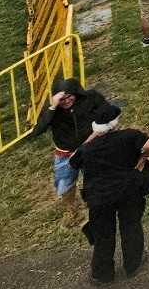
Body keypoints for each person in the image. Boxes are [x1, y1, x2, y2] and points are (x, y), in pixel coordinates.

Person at [69, 104, 149, 284]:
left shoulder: (88, 149)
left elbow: (72, 162)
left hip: (99, 196)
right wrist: (143, 157)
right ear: (115, 123)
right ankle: (133, 263)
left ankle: (102, 274)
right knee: (130, 225)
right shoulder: (129, 136)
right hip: (127, 190)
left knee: (103, 233)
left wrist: (94, 136)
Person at [33, 77, 115, 225]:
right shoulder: (52, 110)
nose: (66, 102)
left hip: (91, 147)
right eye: (61, 100)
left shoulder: (91, 98)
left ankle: (102, 204)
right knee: (64, 183)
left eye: (69, 97)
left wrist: (93, 138)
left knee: (98, 179)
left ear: (76, 93)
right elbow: (38, 130)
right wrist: (52, 107)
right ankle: (71, 208)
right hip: (65, 153)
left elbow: (108, 114)